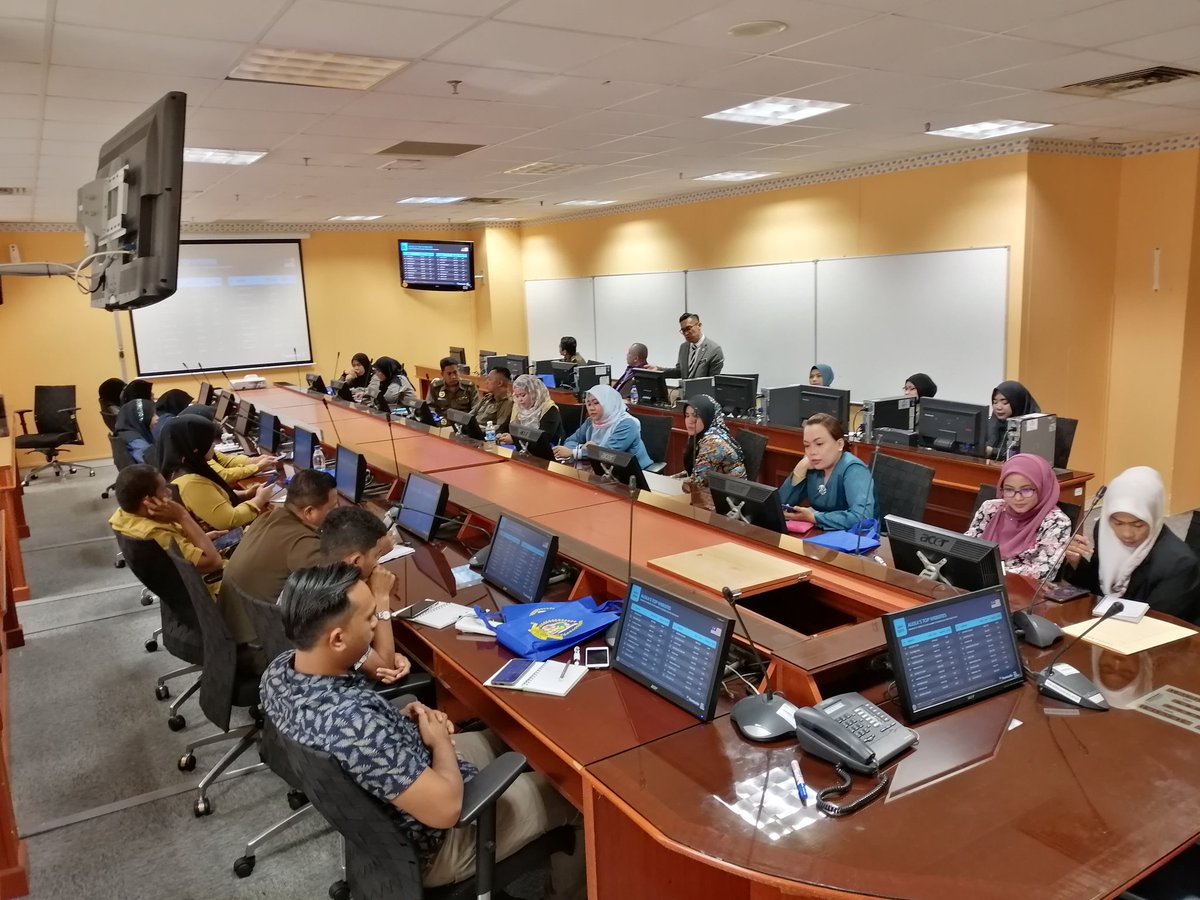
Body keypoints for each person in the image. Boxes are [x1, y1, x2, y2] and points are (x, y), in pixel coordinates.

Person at [261, 565, 583, 898]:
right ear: (337, 639)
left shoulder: (279, 673)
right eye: (370, 619)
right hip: (440, 837)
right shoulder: (358, 727)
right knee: (573, 793)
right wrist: (440, 742)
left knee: (518, 739)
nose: (376, 625)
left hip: (396, 790)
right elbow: (447, 809)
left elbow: (351, 737)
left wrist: (398, 720)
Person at [218, 468, 339, 648]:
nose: (336, 511)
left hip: (232, 627)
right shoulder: (301, 543)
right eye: (332, 507)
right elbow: (339, 584)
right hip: (257, 645)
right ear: (309, 512)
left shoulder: (268, 517)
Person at [1062, 466, 1200, 623]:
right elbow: (1097, 586)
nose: (1126, 533)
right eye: (1118, 523)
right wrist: (1077, 563)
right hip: (1105, 624)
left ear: (1153, 518)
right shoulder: (1105, 529)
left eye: (1138, 525)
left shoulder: (1178, 563)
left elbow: (1157, 623)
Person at [318, 506, 412, 684]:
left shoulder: (309, 583)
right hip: (349, 700)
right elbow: (385, 669)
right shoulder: (340, 605)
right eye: (376, 556)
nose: (377, 564)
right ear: (355, 561)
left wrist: (390, 654)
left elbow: (359, 653)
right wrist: (381, 597)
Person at [109, 464, 223, 590]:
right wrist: (182, 516)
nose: (169, 492)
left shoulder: (122, 516)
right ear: (148, 501)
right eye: (164, 488)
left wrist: (201, 540)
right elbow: (214, 563)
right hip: (216, 588)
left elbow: (175, 551)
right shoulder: (155, 534)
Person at [158, 415, 274, 531]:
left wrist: (246, 494)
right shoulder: (190, 482)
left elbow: (212, 500)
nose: (213, 445)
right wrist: (260, 499)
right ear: (196, 445)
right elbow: (230, 520)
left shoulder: (187, 464)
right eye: (209, 441)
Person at [964, 454, 1072, 579]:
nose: (1017, 498)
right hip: (977, 580)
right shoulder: (990, 509)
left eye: (1027, 490)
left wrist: (990, 570)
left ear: (1042, 487)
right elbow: (967, 545)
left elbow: (1043, 573)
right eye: (1009, 490)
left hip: (1023, 592)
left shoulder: (1056, 522)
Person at [780, 413, 877, 530]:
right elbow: (780, 506)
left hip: (855, 540)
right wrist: (799, 469)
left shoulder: (854, 469)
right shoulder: (813, 466)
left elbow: (862, 518)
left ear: (839, 444)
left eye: (819, 444)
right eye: (807, 445)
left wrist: (814, 517)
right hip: (822, 535)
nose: (812, 452)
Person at [553, 384, 653, 469]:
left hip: (636, 474)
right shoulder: (590, 422)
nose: (591, 408)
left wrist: (575, 452)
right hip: (603, 470)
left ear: (609, 403)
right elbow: (569, 441)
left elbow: (607, 455)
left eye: (596, 403)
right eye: (588, 404)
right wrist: (584, 448)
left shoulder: (627, 424)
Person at [176, 403, 277, 483]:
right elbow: (224, 475)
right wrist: (258, 467)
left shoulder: (196, 443)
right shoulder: (194, 451)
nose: (213, 444)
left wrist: (256, 460)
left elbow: (227, 461)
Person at [675, 394, 746, 487]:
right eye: (687, 416)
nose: (690, 421)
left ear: (707, 416)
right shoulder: (700, 434)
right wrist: (668, 480)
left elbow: (697, 481)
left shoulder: (713, 442)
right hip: (713, 489)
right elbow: (695, 472)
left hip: (729, 496)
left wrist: (668, 485)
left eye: (695, 416)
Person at [498, 374, 562, 444]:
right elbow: (505, 426)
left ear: (534, 393)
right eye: (517, 396)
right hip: (522, 447)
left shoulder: (549, 409)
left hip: (548, 449)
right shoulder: (518, 407)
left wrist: (515, 439)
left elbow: (543, 438)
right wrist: (499, 434)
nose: (520, 400)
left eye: (523, 395)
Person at [985, 380, 1041, 457]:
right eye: (995, 402)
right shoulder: (993, 423)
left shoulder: (1034, 426)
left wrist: (992, 451)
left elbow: (1022, 456)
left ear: (1017, 402)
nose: (998, 407)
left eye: (1004, 403)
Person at [660, 313, 724, 378]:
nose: (686, 333)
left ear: (699, 326)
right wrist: (657, 370)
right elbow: (679, 372)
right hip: (684, 388)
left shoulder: (714, 350)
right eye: (683, 330)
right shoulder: (683, 347)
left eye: (688, 328)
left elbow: (712, 381)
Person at [470, 366, 514, 433]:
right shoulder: (488, 397)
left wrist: (477, 428)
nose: (486, 382)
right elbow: (470, 415)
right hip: (473, 432)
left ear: (500, 383)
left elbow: (500, 427)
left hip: (485, 436)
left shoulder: (507, 402)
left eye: (489, 379)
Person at [115, 398, 157, 464]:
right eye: (153, 415)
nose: (157, 418)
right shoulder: (139, 445)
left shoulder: (126, 432)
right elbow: (153, 464)